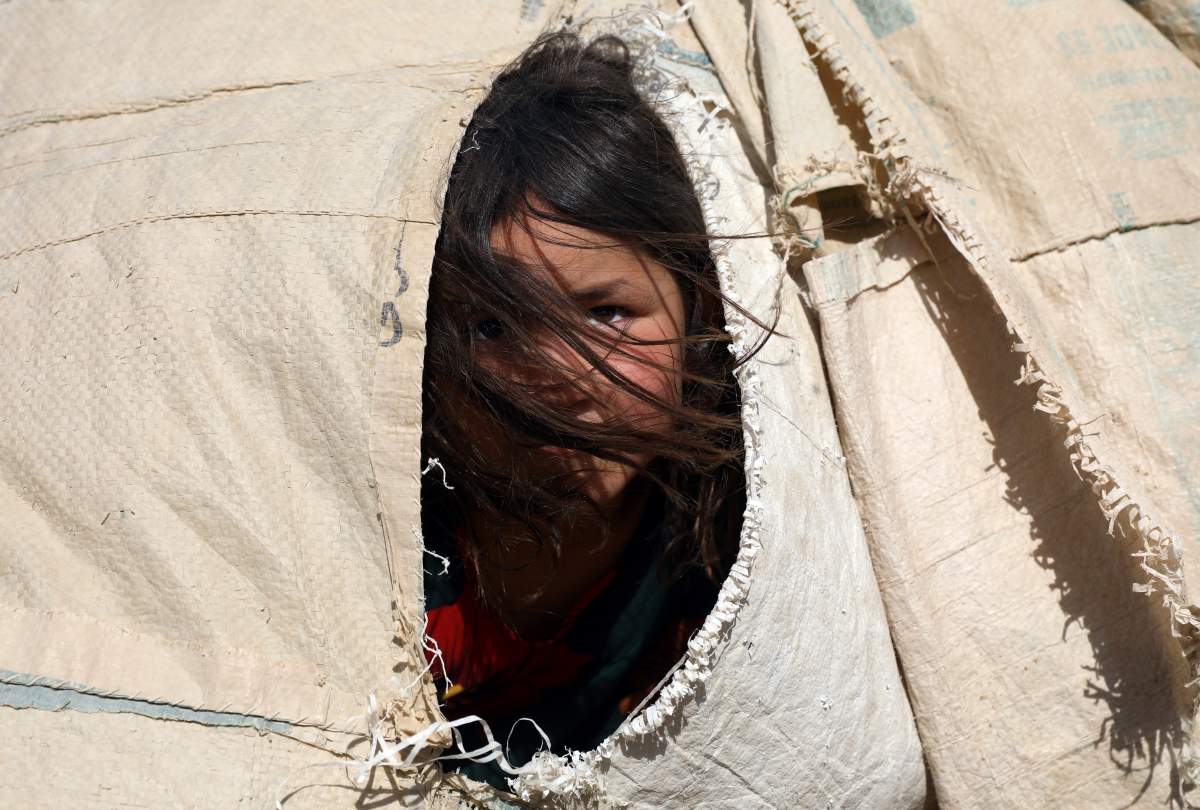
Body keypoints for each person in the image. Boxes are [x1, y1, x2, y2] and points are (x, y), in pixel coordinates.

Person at [419, 30, 754, 788]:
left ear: (695, 310)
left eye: (607, 313)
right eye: (493, 327)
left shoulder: (723, 542)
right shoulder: (400, 552)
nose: (560, 378)